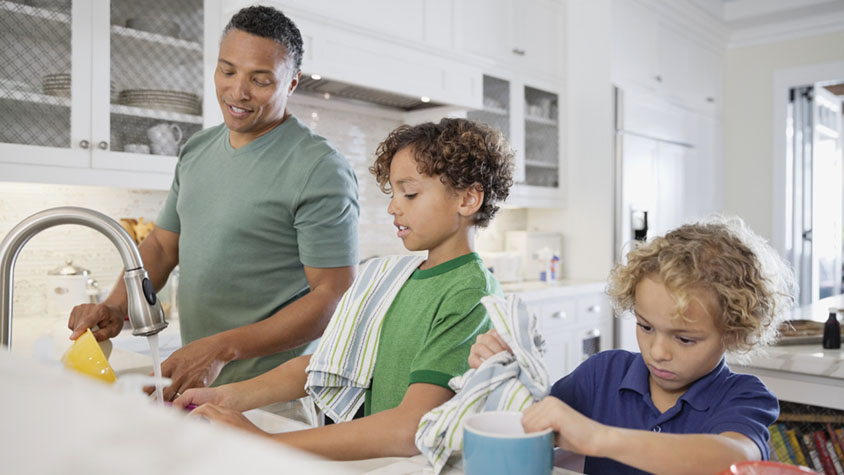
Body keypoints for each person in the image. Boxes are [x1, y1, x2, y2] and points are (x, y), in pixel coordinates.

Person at [67, 6, 359, 405]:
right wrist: (117, 307)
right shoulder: (197, 149)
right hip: (199, 385)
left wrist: (221, 349)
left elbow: (334, 297)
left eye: (259, 80)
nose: (238, 91)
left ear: (292, 82)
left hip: (274, 396)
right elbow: (162, 247)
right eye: (227, 71)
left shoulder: (319, 168)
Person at [174, 117, 515, 459]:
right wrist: (224, 397)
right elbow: (330, 363)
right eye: (393, 193)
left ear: (468, 199)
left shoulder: (471, 293)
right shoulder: (396, 277)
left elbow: (410, 428)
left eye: (409, 193)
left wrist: (265, 442)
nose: (393, 207)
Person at [469, 216, 796, 475]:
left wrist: (600, 438)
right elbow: (525, 420)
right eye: (645, 327)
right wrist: (499, 372)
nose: (658, 352)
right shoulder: (602, 374)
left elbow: (733, 458)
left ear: (734, 331)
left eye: (684, 338)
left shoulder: (743, 396)